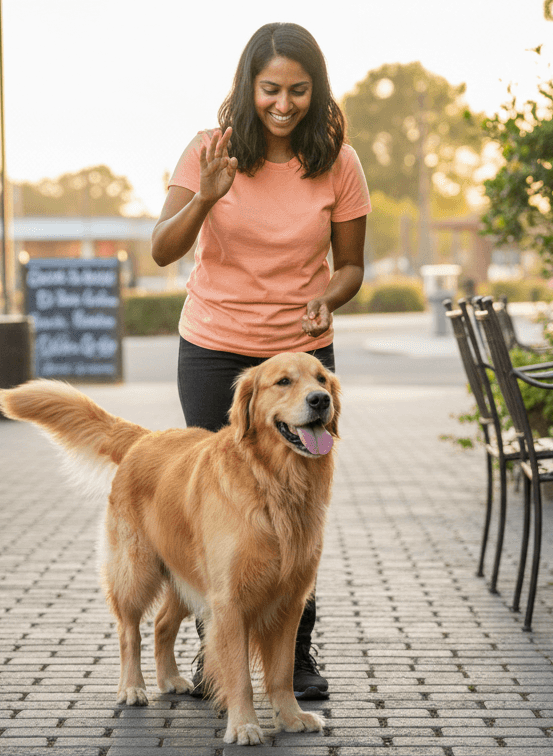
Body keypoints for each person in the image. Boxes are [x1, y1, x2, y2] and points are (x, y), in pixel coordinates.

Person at [150, 21, 370, 702]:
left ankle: (295, 652)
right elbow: (161, 248)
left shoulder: (339, 161)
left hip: (299, 356)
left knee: (298, 508)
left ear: (316, 89)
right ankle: (217, 646)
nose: (283, 103)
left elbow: (352, 266)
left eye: (298, 90)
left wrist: (328, 298)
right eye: (271, 88)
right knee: (219, 504)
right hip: (215, 345)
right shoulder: (208, 150)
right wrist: (208, 195)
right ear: (248, 86)